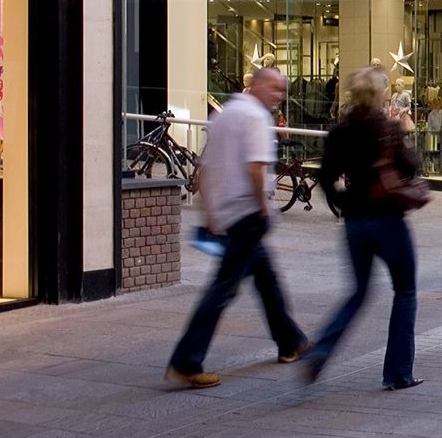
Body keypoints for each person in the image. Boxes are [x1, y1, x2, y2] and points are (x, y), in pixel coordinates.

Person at [166, 66, 307, 388]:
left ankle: (290, 343)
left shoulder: (225, 114)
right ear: (257, 86)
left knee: (267, 279)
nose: (278, 96)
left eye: (282, 91)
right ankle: (186, 361)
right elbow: (255, 167)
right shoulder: (256, 117)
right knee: (222, 289)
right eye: (274, 89)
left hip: (231, 214)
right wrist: (262, 207)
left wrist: (210, 212)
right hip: (247, 213)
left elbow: (205, 167)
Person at [302, 66, 422, 391]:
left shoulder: (341, 131)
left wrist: (343, 204)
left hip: (355, 222)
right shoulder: (386, 128)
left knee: (358, 292)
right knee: (406, 291)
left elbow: (325, 177)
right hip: (388, 221)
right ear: (380, 93)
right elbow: (412, 166)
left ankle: (322, 349)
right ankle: (398, 372)